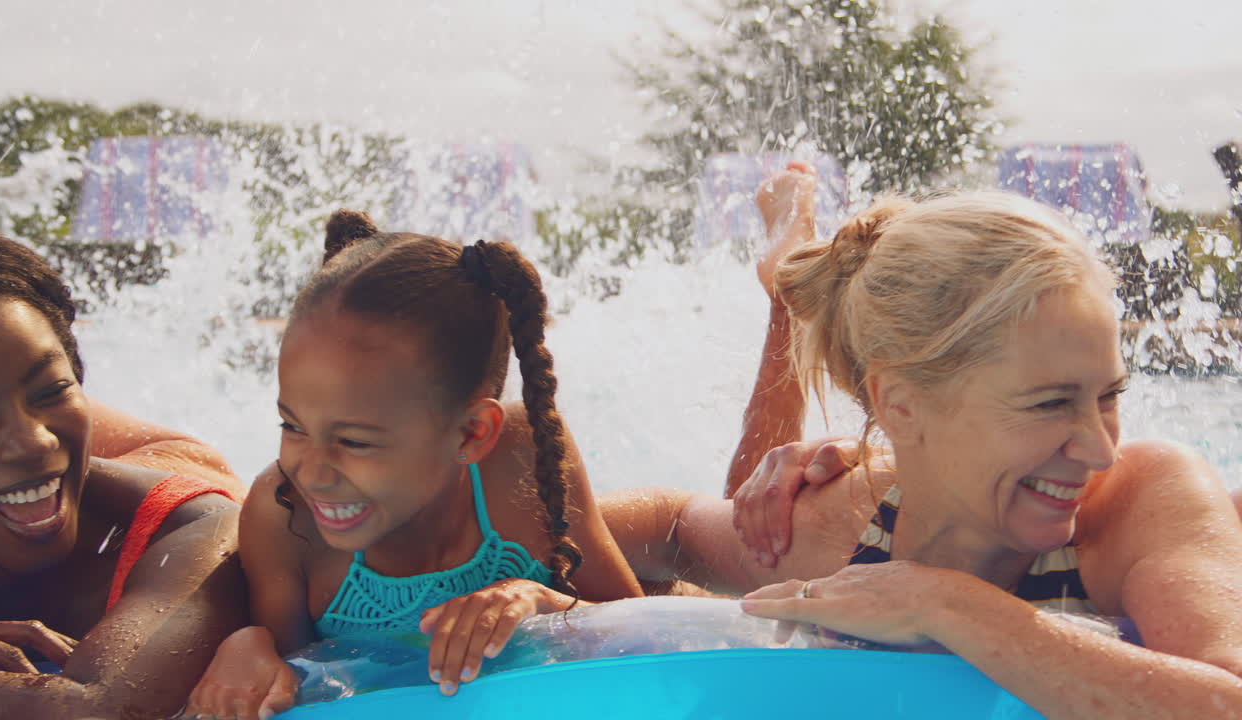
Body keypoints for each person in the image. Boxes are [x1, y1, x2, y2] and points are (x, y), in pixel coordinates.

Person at [602, 174, 1242, 717]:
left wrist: (947, 603)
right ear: (900, 407)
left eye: (1108, 395)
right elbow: (673, 524)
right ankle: (786, 300)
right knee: (755, 504)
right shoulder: (844, 533)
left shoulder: (1142, 502)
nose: (1102, 450)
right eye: (1050, 403)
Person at [185, 211, 642, 719]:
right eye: (292, 426)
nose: (311, 472)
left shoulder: (520, 455)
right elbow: (295, 689)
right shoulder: (284, 517)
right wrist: (247, 647)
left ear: (472, 433)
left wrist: (539, 601)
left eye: (354, 441)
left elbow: (642, 631)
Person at [0, 228, 249, 719]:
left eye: (53, 389)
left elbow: (99, 711)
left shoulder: (193, 531)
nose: (37, 442)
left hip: (170, 462)